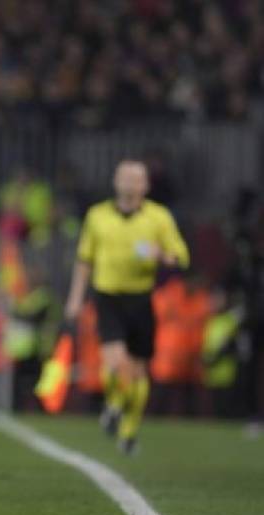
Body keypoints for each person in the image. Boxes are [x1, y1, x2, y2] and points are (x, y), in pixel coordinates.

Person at [64, 160, 189, 454]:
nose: (131, 184)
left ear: (146, 186)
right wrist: (75, 298)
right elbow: (85, 260)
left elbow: (181, 256)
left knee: (137, 372)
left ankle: (128, 430)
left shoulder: (158, 217)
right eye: (126, 178)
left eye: (137, 179)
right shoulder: (97, 216)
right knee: (114, 361)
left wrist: (163, 256)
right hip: (107, 296)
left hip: (141, 298)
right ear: (116, 182)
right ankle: (115, 404)